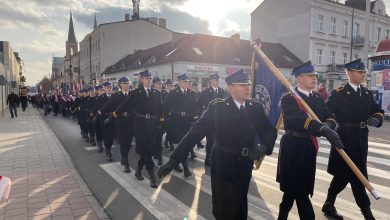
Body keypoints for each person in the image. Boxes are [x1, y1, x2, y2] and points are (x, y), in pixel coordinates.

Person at [158, 69, 278, 220]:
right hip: (223, 163)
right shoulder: (218, 108)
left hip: (244, 164)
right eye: (242, 85)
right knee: (224, 208)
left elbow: (268, 130)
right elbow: (195, 133)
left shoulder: (255, 107)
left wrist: (264, 146)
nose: (247, 87)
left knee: (241, 204)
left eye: (248, 84)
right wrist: (173, 160)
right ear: (231, 88)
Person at [276, 61, 343, 220]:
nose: (314, 78)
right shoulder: (289, 98)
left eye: (315, 76)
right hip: (292, 149)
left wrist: (329, 124)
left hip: (308, 149)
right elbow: (299, 119)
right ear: (299, 78)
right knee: (300, 192)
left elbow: (328, 114)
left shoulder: (316, 97)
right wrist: (322, 129)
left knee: (292, 192)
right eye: (310, 76)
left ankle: (282, 216)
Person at [322, 59, 385, 220]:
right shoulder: (339, 93)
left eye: (364, 72)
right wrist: (330, 123)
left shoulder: (366, 93)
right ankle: (368, 214)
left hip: (361, 139)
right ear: (349, 73)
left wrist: (377, 119)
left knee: (342, 177)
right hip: (344, 139)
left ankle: (328, 204)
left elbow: (378, 110)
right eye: (360, 72)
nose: (364, 74)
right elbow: (328, 111)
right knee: (357, 177)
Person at [110, 70, 163, 188]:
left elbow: (160, 109)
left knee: (148, 149)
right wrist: (114, 114)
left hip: (152, 125)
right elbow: (125, 104)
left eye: (150, 79)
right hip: (140, 124)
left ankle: (138, 170)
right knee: (146, 149)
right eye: (146, 79)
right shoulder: (136, 92)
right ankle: (152, 176)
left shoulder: (157, 93)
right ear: (141, 80)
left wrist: (160, 123)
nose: (149, 81)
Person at [164, 73, 197, 177]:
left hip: (187, 123)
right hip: (176, 123)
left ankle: (176, 163)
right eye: (184, 82)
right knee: (180, 145)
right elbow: (167, 107)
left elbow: (195, 108)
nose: (186, 84)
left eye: (187, 82)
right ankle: (186, 168)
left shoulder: (192, 93)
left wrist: (194, 117)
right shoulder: (173, 93)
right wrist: (175, 114)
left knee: (184, 146)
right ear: (179, 82)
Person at [103, 77, 134, 172]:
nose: (126, 85)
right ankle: (126, 161)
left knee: (128, 143)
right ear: (120, 85)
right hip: (120, 123)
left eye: (127, 83)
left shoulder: (133, 94)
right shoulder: (116, 96)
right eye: (124, 83)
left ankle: (124, 158)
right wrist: (106, 115)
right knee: (123, 142)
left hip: (131, 122)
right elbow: (108, 106)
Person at [197, 73, 227, 166]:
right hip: (209, 121)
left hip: (220, 121)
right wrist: (200, 117)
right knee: (210, 140)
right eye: (215, 80)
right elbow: (198, 105)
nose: (216, 82)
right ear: (211, 81)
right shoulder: (205, 92)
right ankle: (208, 157)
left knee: (220, 140)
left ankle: (217, 157)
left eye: (218, 80)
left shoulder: (222, 91)